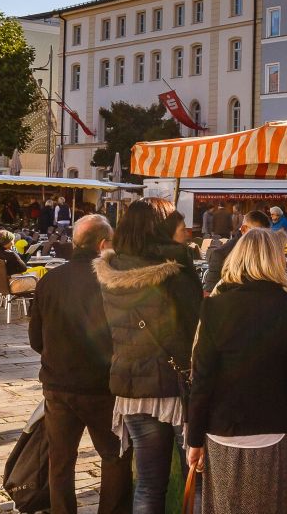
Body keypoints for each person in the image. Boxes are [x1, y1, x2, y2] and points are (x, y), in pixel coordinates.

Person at [185, 230, 287, 514]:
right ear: (275, 261)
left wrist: (194, 439)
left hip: (222, 430)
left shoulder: (214, 308)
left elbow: (202, 380)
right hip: (273, 432)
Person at [94, 201, 202, 514]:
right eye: (181, 228)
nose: (186, 235)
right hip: (175, 387)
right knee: (196, 478)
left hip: (132, 386)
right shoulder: (176, 269)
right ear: (163, 230)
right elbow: (197, 327)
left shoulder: (112, 271)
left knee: (149, 483)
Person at [28, 214, 131, 514]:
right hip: (102, 387)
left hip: (58, 386)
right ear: (103, 244)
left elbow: (36, 339)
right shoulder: (113, 281)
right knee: (114, 455)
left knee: (60, 460)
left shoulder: (50, 280)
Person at [206, 210, 267, 294]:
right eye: (257, 233)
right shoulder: (221, 254)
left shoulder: (268, 253)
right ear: (244, 229)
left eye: (266, 235)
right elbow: (211, 291)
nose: (262, 239)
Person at [0, 230, 33, 295]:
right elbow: (24, 268)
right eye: (12, 240)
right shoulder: (12, 254)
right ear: (8, 242)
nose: (13, 242)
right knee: (39, 272)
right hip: (14, 283)